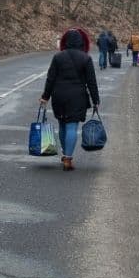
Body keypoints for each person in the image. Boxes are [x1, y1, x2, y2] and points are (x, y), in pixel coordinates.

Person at [40, 28, 101, 171]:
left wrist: (45, 97)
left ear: (66, 42)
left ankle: (65, 154)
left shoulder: (58, 57)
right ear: (81, 42)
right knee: (72, 126)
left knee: (62, 123)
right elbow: (91, 82)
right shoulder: (86, 58)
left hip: (59, 95)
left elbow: (51, 79)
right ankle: (68, 157)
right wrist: (95, 100)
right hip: (77, 96)